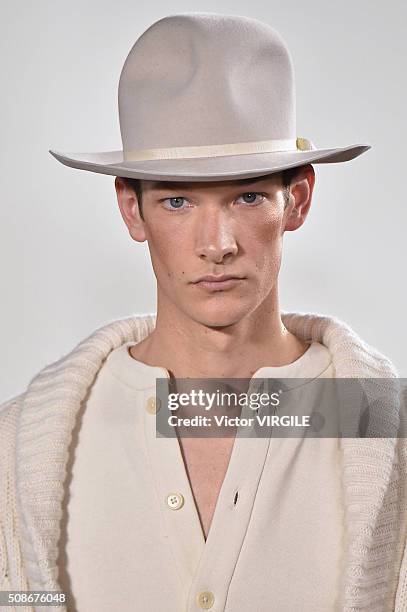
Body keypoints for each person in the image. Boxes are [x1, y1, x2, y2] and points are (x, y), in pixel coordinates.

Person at [1, 12, 406, 612]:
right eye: (177, 201)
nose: (216, 244)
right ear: (131, 212)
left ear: (297, 200)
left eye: (246, 196)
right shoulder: (20, 449)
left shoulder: (381, 428)